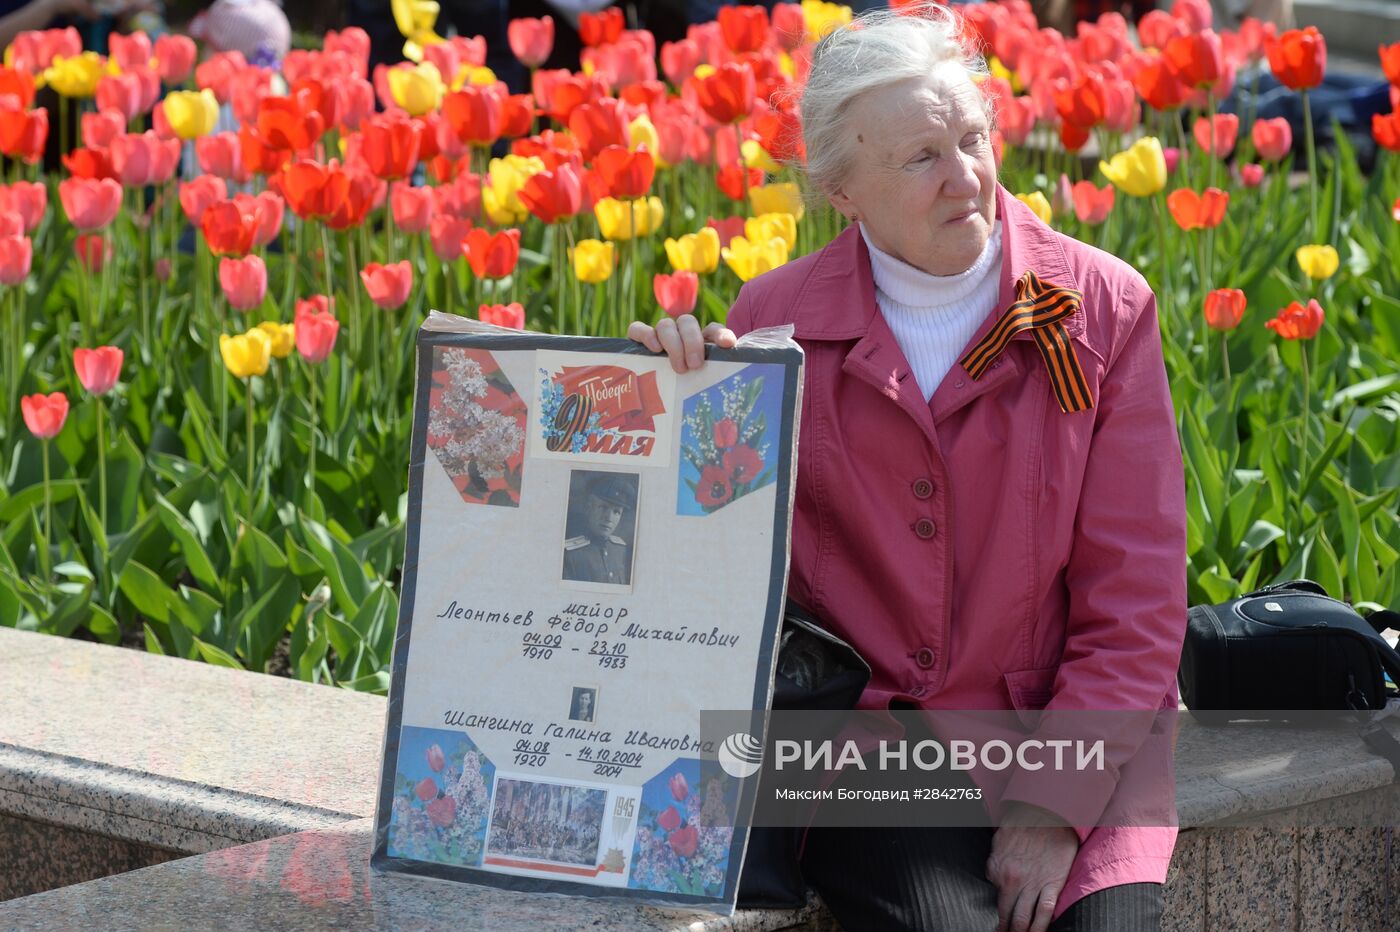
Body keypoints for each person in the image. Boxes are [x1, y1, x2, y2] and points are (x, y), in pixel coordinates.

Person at [629, 8, 1186, 932]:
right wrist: (671, 400)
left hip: (1072, 723)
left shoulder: (1099, 308)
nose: (965, 177)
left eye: (972, 138)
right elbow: (704, 573)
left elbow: (1136, 597)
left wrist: (1053, 803)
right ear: (842, 191)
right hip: (870, 747)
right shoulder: (772, 321)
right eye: (922, 158)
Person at [562, 474, 635, 585]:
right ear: (589, 506)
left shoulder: (621, 550)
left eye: (616, 512)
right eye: (603, 507)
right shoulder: (570, 555)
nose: (609, 518)